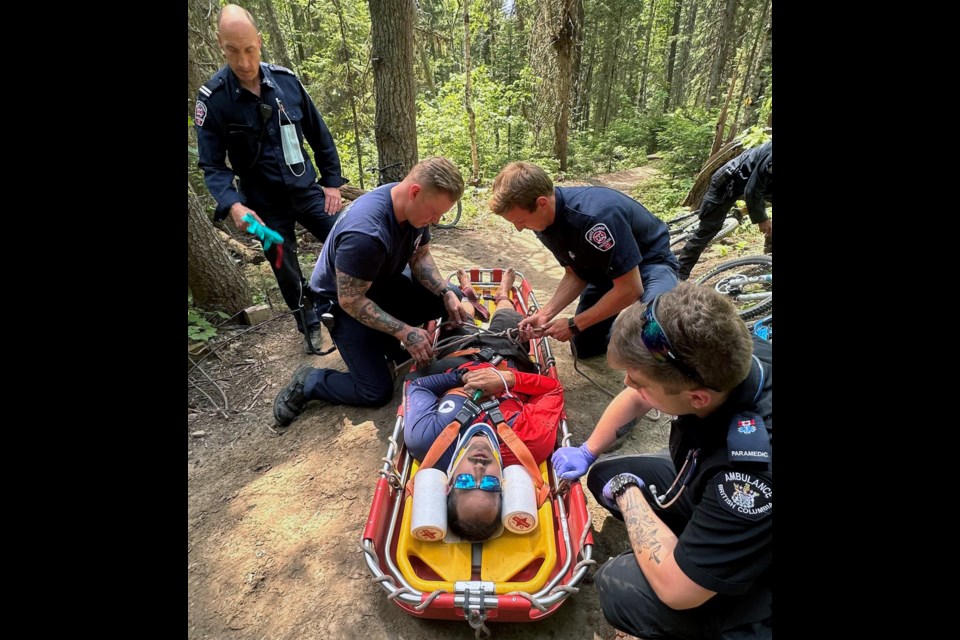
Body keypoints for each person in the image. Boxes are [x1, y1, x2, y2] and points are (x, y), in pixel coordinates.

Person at [551, 281, 772, 639]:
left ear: (697, 399)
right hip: (708, 478)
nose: (626, 383)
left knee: (620, 586)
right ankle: (705, 541)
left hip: (761, 570)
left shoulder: (746, 475)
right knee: (606, 471)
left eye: (636, 380)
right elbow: (639, 395)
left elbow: (678, 591)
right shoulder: (728, 353)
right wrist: (589, 450)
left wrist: (629, 493)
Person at [194, 4, 348, 354]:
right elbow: (213, 166)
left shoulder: (286, 82)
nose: (244, 61)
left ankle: (354, 301)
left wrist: (332, 183)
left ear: (260, 42)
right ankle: (307, 321)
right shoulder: (213, 100)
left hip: (307, 190)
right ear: (221, 45)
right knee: (283, 263)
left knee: (348, 236)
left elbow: (319, 134)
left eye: (249, 49)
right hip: (262, 204)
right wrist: (232, 204)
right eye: (233, 51)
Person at [271, 157, 469, 424]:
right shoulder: (366, 233)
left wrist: (445, 291)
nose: (435, 221)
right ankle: (311, 381)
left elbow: (420, 256)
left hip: (380, 283)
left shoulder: (414, 209)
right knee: (375, 391)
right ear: (414, 192)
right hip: (342, 304)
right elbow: (351, 300)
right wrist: (405, 331)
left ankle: (407, 348)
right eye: (434, 213)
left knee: (452, 297)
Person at [403, 269, 564, 541]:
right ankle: (503, 294)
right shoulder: (530, 443)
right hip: (507, 353)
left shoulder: (425, 440)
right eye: (489, 484)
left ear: (448, 485)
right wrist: (506, 379)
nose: (479, 468)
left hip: (457, 352)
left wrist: (460, 377)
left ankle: (467, 293)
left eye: (466, 483)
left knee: (460, 315)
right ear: (505, 485)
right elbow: (552, 391)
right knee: (506, 316)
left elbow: (416, 386)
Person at [488, 161, 679, 360]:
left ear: (542, 203)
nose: (519, 228)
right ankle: (616, 342)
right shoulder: (542, 222)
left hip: (650, 264)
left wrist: (574, 323)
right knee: (584, 346)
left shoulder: (594, 218)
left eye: (520, 221)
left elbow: (630, 289)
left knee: (648, 335)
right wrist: (544, 315)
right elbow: (574, 274)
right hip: (604, 270)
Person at [677, 141, 773, 280]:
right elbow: (752, 190)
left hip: (757, 183)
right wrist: (762, 219)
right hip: (728, 182)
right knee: (708, 229)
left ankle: (768, 257)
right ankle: (679, 275)